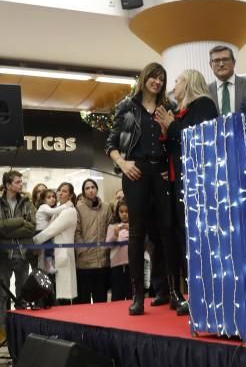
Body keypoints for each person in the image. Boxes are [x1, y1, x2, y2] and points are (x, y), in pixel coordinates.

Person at [105, 62, 186, 316]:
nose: (158, 82)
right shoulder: (127, 106)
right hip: (135, 172)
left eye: (162, 78)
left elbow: (175, 141)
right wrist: (123, 163)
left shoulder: (168, 107)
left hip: (161, 172)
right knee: (137, 233)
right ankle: (137, 296)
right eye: (153, 76)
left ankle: (174, 292)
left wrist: (169, 163)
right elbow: (111, 144)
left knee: (168, 231)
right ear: (144, 78)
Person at [158, 68, 218, 315]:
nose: (174, 84)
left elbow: (198, 141)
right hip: (177, 182)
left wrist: (171, 126)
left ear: (190, 82)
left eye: (178, 80)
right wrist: (166, 130)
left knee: (197, 239)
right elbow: (176, 145)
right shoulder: (180, 112)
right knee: (183, 238)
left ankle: (205, 294)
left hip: (197, 183)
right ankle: (192, 293)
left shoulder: (203, 105)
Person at [32, 182, 78, 304]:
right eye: (59, 190)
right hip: (53, 255)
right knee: (54, 294)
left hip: (62, 253)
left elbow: (50, 231)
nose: (60, 193)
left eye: (64, 191)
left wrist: (34, 241)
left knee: (64, 295)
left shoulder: (69, 211)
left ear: (71, 195)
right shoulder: (57, 209)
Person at [0, 170, 36, 310]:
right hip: (4, 254)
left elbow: (31, 228)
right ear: (8, 185)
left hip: (23, 254)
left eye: (21, 181)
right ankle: (1, 331)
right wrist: (20, 221)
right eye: (17, 182)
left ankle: (20, 330)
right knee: (2, 295)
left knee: (22, 295)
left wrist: (8, 230)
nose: (21, 185)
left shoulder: (27, 204)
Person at [74, 178, 113, 304]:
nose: (90, 190)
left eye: (93, 187)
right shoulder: (78, 208)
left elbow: (110, 228)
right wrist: (82, 250)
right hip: (84, 262)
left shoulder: (106, 207)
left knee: (101, 300)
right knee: (84, 300)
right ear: (83, 191)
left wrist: (106, 248)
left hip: (103, 260)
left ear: (97, 189)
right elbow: (76, 232)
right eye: (87, 188)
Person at [206, 45, 246, 115]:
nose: (221, 64)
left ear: (234, 63)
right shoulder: (205, 92)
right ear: (211, 65)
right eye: (216, 60)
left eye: (225, 59)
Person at [107, 200, 130, 301]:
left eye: (127, 211)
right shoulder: (112, 226)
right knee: (117, 292)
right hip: (116, 263)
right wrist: (115, 234)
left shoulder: (135, 225)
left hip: (132, 262)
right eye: (121, 211)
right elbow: (109, 245)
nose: (124, 214)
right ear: (117, 213)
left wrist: (131, 229)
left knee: (131, 291)